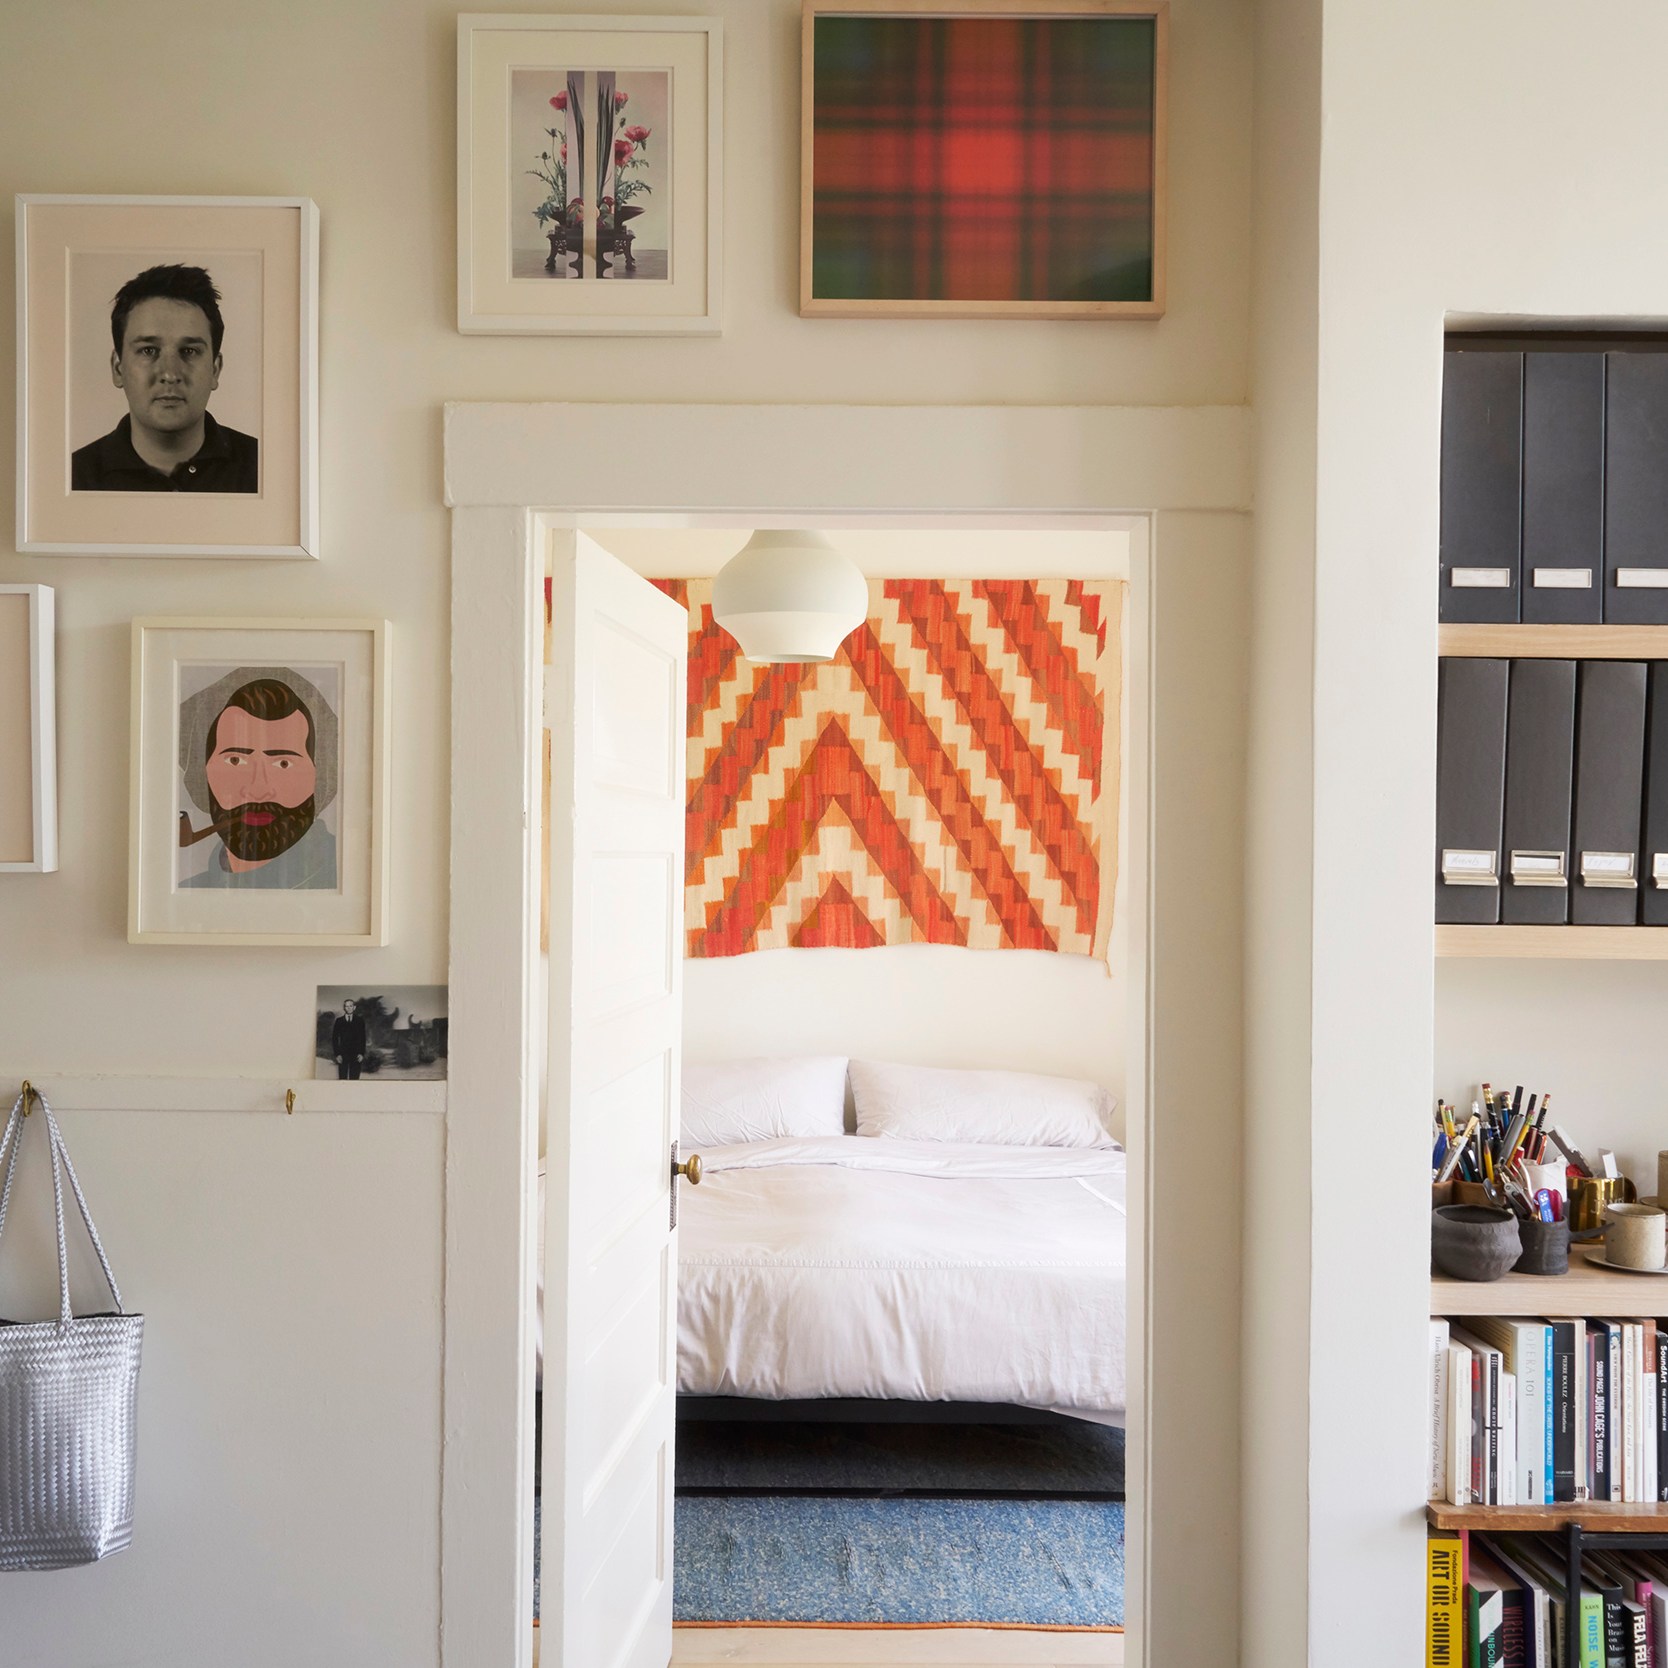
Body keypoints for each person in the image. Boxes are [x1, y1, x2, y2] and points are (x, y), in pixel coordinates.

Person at [70, 263, 258, 493]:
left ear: (215, 370)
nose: (170, 374)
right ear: (118, 368)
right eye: (149, 350)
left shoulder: (264, 468)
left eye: (189, 351)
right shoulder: (73, 478)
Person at [178, 668, 339, 889]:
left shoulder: (341, 880)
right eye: (235, 761)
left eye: (284, 763)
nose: (258, 789)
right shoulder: (190, 892)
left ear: (320, 775)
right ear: (200, 772)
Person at [332, 1000, 368, 1081]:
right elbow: (334, 1039)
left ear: (354, 1007)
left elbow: (363, 1038)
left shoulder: (360, 1021)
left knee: (354, 1080)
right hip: (342, 1055)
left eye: (351, 1006)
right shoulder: (339, 1021)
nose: (349, 1008)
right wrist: (337, 1054)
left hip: (356, 1055)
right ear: (344, 1008)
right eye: (347, 1006)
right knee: (342, 1080)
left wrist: (361, 1053)